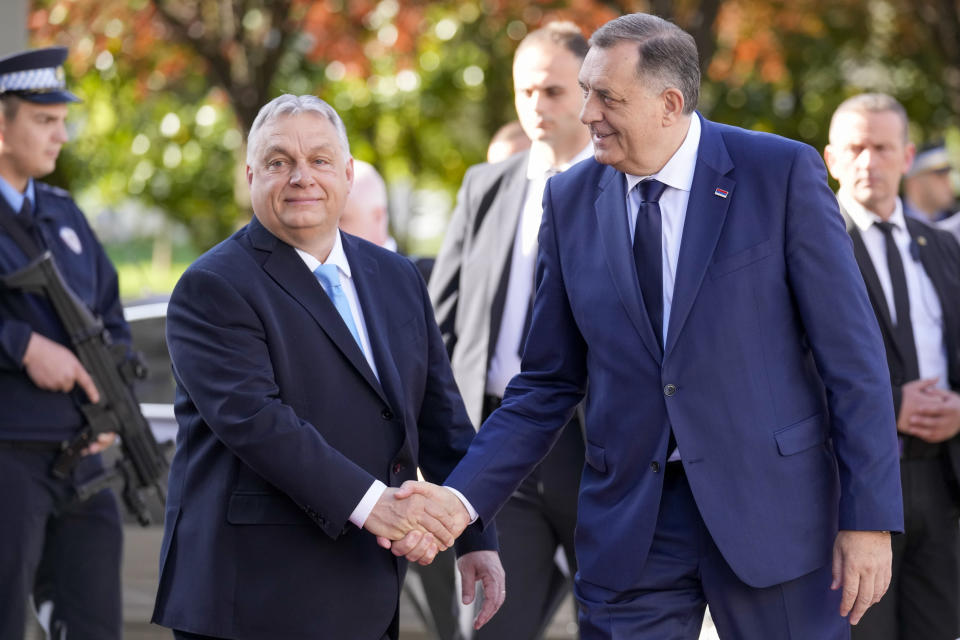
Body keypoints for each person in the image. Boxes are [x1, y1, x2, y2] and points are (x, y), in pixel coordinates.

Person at [400, 12, 904, 639]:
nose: (586, 113)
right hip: (633, 528)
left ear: (669, 103)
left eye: (605, 96)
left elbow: (852, 362)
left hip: (774, 516)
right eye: (585, 91)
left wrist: (869, 520)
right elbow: (546, 385)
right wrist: (463, 498)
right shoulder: (569, 200)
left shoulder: (780, 174)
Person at [150, 94, 504, 640]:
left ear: (347, 172)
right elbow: (257, 422)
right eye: (277, 162)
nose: (301, 177)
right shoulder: (213, 286)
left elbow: (440, 416)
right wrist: (377, 507)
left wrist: (474, 534)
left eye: (318, 160)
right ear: (250, 175)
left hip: (365, 587)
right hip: (253, 597)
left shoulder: (397, 276)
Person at [428, 21, 592, 640]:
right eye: (525, 92)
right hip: (496, 441)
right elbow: (438, 324)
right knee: (489, 627)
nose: (536, 107)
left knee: (618, 622)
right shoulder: (486, 186)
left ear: (588, 90)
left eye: (553, 91)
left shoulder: (621, 187)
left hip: (594, 446)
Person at [0, 46, 126, 640]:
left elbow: (111, 317)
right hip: (8, 454)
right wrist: (19, 344)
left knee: (93, 622)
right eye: (45, 120)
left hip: (80, 458)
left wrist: (112, 397)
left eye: (62, 120)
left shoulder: (63, 215)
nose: (61, 135)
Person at [824, 93, 960, 640]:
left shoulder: (942, 248)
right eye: (855, 148)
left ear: (906, 158)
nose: (868, 162)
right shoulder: (810, 246)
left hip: (944, 483)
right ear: (831, 159)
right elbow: (788, 366)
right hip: (855, 489)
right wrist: (889, 405)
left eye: (881, 148)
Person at [339, 157, 458, 640]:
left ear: (378, 216)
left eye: (345, 218)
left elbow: (440, 408)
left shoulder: (412, 278)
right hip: (355, 522)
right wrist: (382, 508)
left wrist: (462, 520)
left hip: (421, 507)